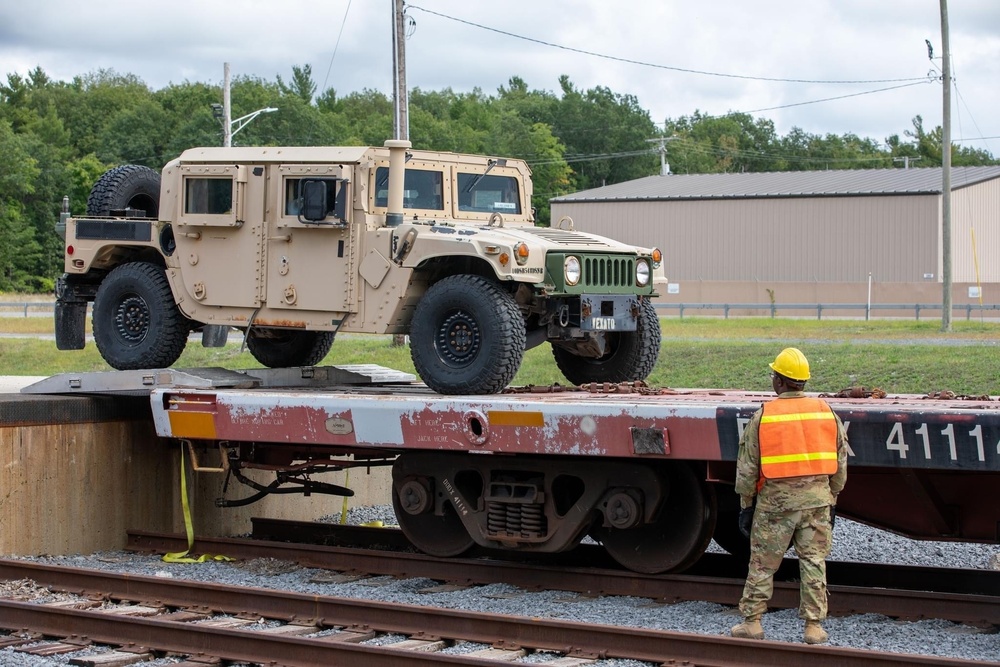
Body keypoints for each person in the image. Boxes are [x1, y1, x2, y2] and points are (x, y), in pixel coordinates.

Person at [730, 347, 848, 645]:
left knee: (763, 563)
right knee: (813, 562)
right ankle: (813, 627)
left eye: (774, 375)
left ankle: (753, 622)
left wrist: (746, 505)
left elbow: (747, 468)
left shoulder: (765, 415)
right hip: (817, 503)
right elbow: (841, 463)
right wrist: (831, 496)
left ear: (781, 382)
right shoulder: (825, 412)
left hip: (775, 505)